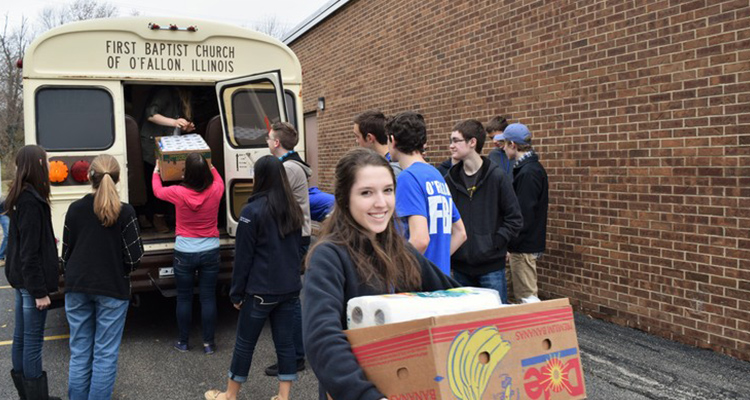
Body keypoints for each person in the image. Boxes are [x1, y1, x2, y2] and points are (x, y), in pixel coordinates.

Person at [302, 148, 459, 400]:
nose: (381, 203)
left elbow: (454, 295)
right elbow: (322, 338)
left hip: (407, 385)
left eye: (387, 190)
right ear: (343, 199)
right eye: (366, 193)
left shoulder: (400, 250)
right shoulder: (329, 256)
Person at [205, 155, 303, 400]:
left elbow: (244, 258)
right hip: (290, 288)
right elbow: (298, 249)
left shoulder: (251, 211)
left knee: (245, 345)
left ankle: (229, 394)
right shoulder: (293, 210)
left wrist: (236, 292)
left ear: (258, 178)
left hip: (260, 290)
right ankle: (283, 396)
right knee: (285, 345)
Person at [62, 155, 144, 400]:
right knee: (105, 354)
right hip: (112, 287)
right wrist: (121, 269)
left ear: (90, 177)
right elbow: (134, 256)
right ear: (118, 179)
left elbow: (66, 253)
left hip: (77, 285)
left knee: (79, 352)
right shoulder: (126, 211)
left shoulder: (75, 209)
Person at [4, 145, 62, 400]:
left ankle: (27, 395)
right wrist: (40, 292)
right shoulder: (30, 201)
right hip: (30, 284)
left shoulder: (20, 196)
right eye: (47, 161)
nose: (50, 165)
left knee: (20, 338)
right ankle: (35, 397)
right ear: (38, 162)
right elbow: (29, 254)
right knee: (32, 343)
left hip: (20, 280)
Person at [444, 119, 523, 304]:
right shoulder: (450, 180)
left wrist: (495, 244)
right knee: (464, 324)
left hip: (491, 267)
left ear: (472, 142)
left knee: (495, 325)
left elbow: (515, 218)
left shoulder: (497, 177)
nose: (451, 145)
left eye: (456, 140)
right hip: (460, 268)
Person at [152, 153, 224, 354]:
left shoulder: (178, 192)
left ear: (186, 173)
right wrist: (210, 164)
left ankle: (183, 342)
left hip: (184, 251)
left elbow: (157, 191)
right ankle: (209, 344)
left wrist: (157, 170)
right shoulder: (217, 190)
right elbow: (216, 175)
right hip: (210, 250)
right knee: (208, 297)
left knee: (184, 298)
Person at [387, 111, 466, 275]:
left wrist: (393, 271)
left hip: (418, 284)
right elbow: (460, 233)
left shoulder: (407, 178)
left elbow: (420, 239)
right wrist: (436, 265)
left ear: (392, 140)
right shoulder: (436, 175)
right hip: (439, 279)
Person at [264, 122, 311, 376]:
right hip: (294, 236)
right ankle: (293, 355)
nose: (267, 141)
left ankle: (294, 357)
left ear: (277, 143)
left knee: (290, 299)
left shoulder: (289, 169)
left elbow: (271, 201)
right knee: (289, 297)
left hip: (293, 238)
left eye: (269, 138)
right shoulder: (291, 166)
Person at [499, 123, 549, 303]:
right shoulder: (527, 169)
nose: (503, 148)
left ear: (513, 144)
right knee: (515, 298)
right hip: (520, 245)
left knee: (527, 300)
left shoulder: (529, 172)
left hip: (523, 246)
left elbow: (524, 214)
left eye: (504, 143)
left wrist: (510, 241)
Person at [139, 86, 196, 233]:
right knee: (158, 181)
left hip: (171, 145)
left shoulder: (181, 98)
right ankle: (157, 217)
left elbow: (175, 124)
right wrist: (175, 122)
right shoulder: (165, 92)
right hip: (155, 146)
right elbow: (150, 114)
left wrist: (185, 128)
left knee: (169, 181)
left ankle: (162, 215)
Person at [353, 110, 403, 177]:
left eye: (357, 136)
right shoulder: (395, 162)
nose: (356, 141)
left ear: (369, 138)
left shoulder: (392, 170)